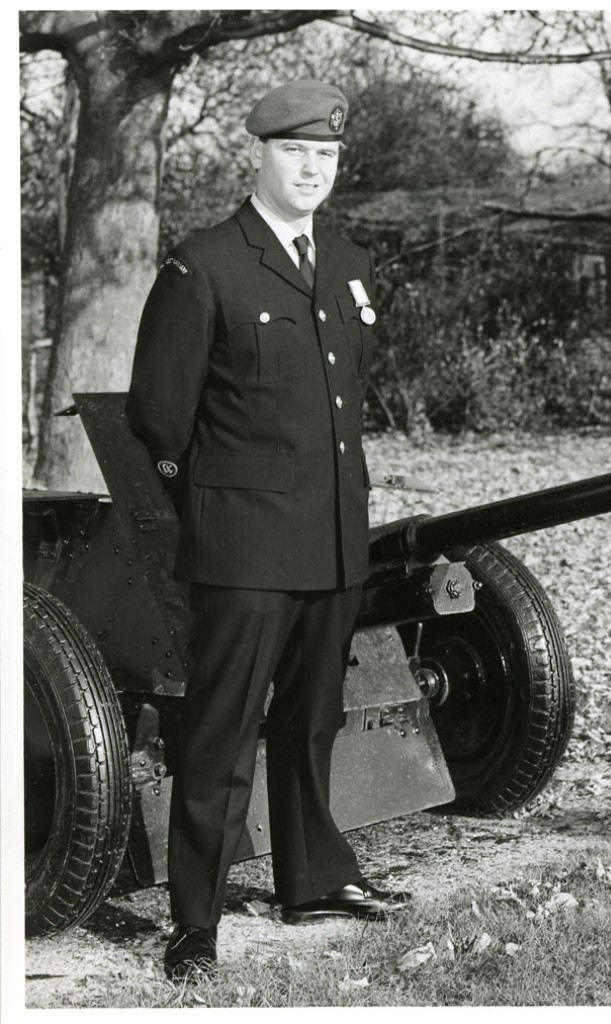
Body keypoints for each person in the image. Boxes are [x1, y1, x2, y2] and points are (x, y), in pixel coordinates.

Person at [126, 80, 410, 982]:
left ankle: (312, 878)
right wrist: (216, 507)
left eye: (325, 156)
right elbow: (157, 419)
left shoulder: (350, 262)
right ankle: (195, 923)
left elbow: (339, 405)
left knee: (312, 719)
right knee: (219, 735)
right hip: (244, 546)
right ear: (260, 155)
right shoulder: (205, 265)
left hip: (331, 540)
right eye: (296, 152)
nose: (312, 168)